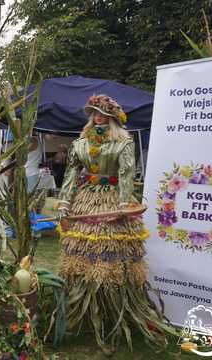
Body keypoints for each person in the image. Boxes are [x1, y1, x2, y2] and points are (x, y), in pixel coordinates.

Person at [57, 95, 170, 352]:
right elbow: (71, 173)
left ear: (111, 116)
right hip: (86, 200)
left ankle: (116, 308)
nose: (97, 117)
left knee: (112, 253)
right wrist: (64, 203)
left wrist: (122, 205)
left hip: (112, 201)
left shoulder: (123, 142)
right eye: (93, 113)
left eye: (101, 113)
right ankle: (81, 311)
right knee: (83, 252)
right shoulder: (80, 143)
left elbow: (126, 173)